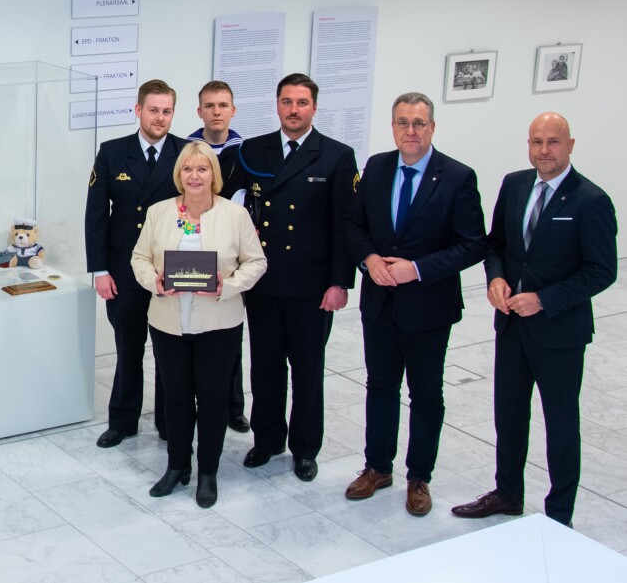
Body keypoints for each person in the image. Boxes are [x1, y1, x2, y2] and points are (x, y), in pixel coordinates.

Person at [451, 113, 617, 527]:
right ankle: (507, 494)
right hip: (511, 326)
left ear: (571, 144)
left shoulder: (591, 201)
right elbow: (496, 245)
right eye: (536, 141)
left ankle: (559, 514)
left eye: (553, 142)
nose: (544, 150)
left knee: (560, 422)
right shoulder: (515, 184)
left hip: (560, 332)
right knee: (508, 415)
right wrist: (496, 278)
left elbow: (602, 270)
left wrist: (544, 300)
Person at [342, 92, 486, 516]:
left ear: (432, 128)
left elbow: (473, 244)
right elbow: (353, 224)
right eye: (403, 122)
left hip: (428, 307)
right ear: (392, 127)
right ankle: (377, 467)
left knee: (425, 394)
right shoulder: (378, 167)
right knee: (380, 387)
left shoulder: (458, 177)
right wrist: (368, 259)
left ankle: (418, 477)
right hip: (380, 303)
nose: (410, 130)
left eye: (419, 123)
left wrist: (418, 269)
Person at [223, 74, 358, 482]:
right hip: (263, 281)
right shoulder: (252, 150)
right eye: (286, 101)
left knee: (307, 371)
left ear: (314, 107)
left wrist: (340, 282)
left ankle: (304, 448)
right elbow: (227, 205)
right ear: (277, 105)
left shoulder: (336, 155)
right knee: (264, 367)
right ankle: (266, 440)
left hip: (312, 285)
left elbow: (345, 225)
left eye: (302, 102)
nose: (294, 110)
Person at [131, 141, 267, 508]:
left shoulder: (234, 216)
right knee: (175, 397)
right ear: (179, 174)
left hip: (219, 324)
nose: (194, 176)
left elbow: (256, 263)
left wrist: (229, 285)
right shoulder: (159, 212)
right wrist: (153, 281)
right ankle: (177, 467)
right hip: (168, 321)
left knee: (212, 400)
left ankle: (208, 472)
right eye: (188, 169)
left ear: (213, 175)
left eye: (202, 169)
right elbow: (139, 257)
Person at [85, 79, 188, 448]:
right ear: (138, 110)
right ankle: (123, 420)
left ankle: (166, 420)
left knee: (167, 349)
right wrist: (99, 270)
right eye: (153, 110)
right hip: (124, 269)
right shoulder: (112, 152)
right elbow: (96, 214)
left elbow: (199, 212)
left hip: (169, 270)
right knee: (128, 347)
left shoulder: (188, 153)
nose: (159, 118)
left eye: (166, 111)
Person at [186, 80, 250, 434]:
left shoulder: (247, 152)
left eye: (222, 105)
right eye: (209, 106)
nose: (216, 112)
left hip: (231, 254)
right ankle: (189, 405)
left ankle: (233, 406)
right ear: (200, 112)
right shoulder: (187, 151)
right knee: (190, 332)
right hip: (193, 249)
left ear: (233, 110)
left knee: (229, 333)